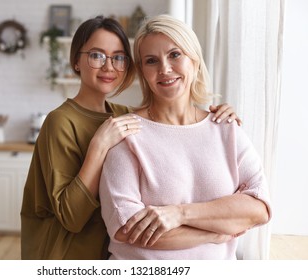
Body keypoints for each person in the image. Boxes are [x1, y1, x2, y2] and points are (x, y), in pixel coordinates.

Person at [21, 15, 241, 260]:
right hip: (65, 256)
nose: (109, 67)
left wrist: (217, 114)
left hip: (108, 255)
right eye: (96, 55)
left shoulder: (124, 116)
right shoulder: (60, 122)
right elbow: (71, 217)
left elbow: (164, 122)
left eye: (118, 57)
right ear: (76, 62)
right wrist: (99, 146)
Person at [99, 14, 271, 260]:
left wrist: (179, 214)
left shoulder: (226, 128)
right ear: (143, 73)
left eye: (175, 54)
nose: (164, 69)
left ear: (195, 60)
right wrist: (214, 234)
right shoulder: (127, 134)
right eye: (151, 61)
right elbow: (127, 228)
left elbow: (260, 208)